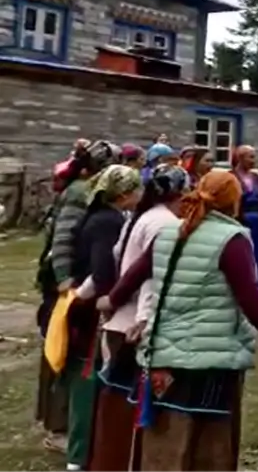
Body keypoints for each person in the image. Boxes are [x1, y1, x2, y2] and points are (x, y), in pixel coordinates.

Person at [98, 170, 258, 472]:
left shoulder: (170, 233)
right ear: (234, 201)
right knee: (209, 449)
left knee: (162, 444)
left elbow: (133, 277)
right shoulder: (231, 239)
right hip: (211, 361)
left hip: (163, 355)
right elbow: (250, 297)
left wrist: (109, 302)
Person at [89, 163, 189, 472]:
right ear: (180, 193)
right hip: (133, 324)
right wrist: (145, 318)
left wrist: (109, 298)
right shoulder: (165, 224)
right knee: (126, 411)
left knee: (114, 408)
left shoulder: (142, 217)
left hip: (119, 320)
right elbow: (149, 277)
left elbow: (120, 258)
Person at [36, 141, 117, 457]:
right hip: (65, 288)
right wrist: (65, 282)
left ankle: (69, 424)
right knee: (63, 354)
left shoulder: (92, 191)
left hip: (77, 288)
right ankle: (58, 428)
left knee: (71, 355)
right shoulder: (80, 192)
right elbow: (63, 239)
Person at [65, 164, 144, 472]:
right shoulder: (107, 222)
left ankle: (84, 453)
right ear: (123, 194)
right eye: (136, 190)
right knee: (91, 381)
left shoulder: (101, 216)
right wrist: (111, 301)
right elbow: (101, 272)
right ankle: (81, 456)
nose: (140, 195)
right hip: (94, 312)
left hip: (89, 306)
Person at [233, 145, 258, 293]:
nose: (253, 160)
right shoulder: (232, 176)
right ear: (240, 158)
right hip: (241, 219)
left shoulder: (256, 177)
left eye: (254, 157)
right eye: (250, 157)